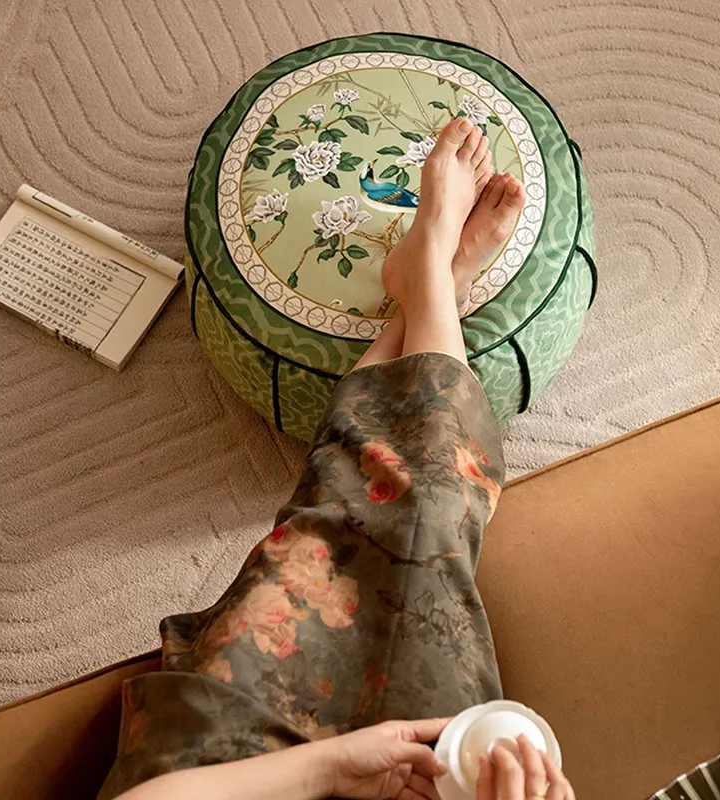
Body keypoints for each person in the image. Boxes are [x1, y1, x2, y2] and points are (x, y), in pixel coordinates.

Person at [98, 117, 576, 800]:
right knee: (429, 511)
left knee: (343, 525)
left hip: (224, 766)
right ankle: (431, 283)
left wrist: (330, 765)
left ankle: (431, 274)